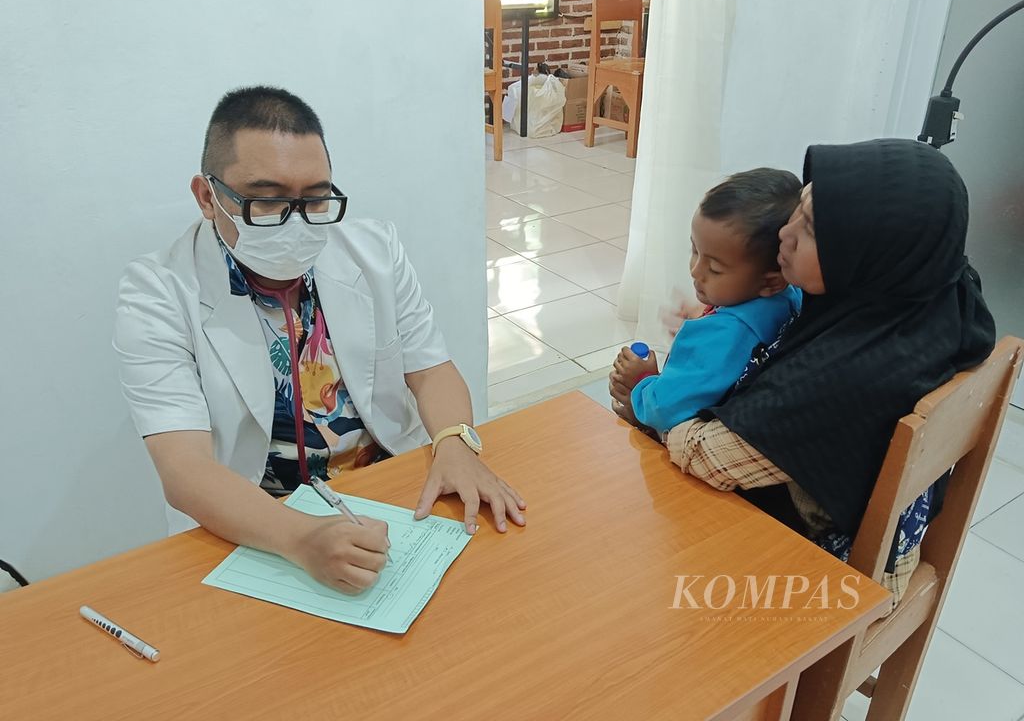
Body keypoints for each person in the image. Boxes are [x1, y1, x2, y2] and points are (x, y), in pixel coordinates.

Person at [114, 86, 526, 594]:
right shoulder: (157, 292)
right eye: (267, 200)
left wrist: (457, 443)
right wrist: (301, 538)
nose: (297, 221)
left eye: (315, 198)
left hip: (390, 492)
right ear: (206, 196)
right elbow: (184, 469)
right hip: (257, 521)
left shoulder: (373, 250)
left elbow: (430, 367)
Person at [611, 139, 995, 607]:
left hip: (830, 581)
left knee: (624, 535)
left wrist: (644, 397)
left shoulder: (846, 375)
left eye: (811, 229)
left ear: (861, 249)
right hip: (887, 539)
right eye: (800, 208)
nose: (784, 235)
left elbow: (706, 456)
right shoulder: (930, 297)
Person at [610, 168, 802, 435]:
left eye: (715, 268)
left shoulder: (722, 336)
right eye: (695, 250)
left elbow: (665, 409)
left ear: (770, 281)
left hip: (696, 432)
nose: (695, 271)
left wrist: (642, 382)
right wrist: (711, 316)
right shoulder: (791, 295)